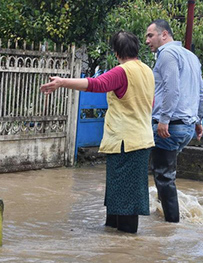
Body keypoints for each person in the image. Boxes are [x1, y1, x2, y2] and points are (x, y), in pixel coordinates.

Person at [40, 31, 155, 233]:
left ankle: (124, 250)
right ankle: (113, 244)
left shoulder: (123, 71)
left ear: (117, 53)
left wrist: (62, 82)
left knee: (125, 201)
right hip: (141, 141)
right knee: (119, 197)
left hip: (124, 143)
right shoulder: (147, 71)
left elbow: (97, 84)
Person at [145, 19, 203, 223]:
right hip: (187, 127)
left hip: (171, 126)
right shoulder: (191, 56)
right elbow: (201, 92)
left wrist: (164, 119)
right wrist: (199, 120)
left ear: (164, 35)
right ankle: (164, 215)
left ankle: (171, 225)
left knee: (163, 176)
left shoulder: (167, 54)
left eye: (150, 35)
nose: (147, 41)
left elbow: (172, 89)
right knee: (165, 174)